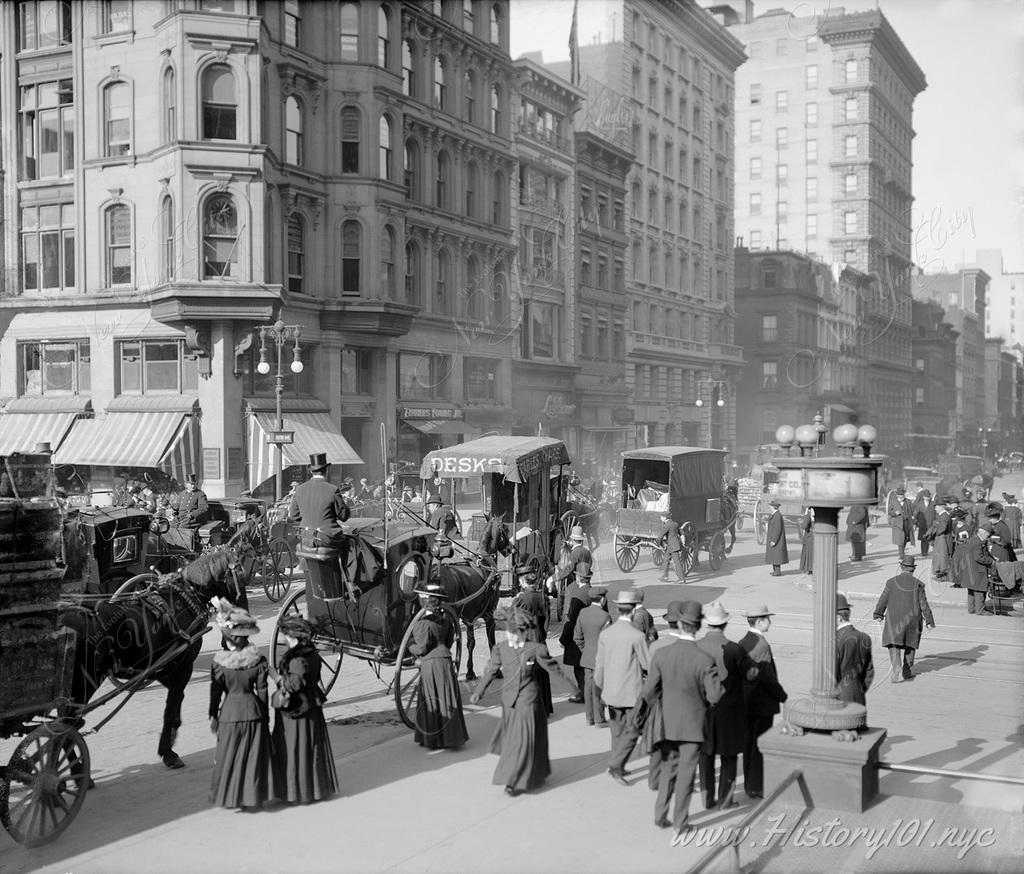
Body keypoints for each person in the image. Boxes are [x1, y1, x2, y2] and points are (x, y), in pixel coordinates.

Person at [634, 600, 722, 845]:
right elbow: (714, 696)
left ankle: (660, 814)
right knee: (685, 774)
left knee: (669, 769)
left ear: (681, 624)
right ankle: (680, 823)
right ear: (698, 626)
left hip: (667, 722)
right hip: (693, 726)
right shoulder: (704, 660)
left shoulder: (662, 654)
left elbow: (649, 691)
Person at [469, 608, 579, 796]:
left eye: (518, 633)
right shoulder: (500, 649)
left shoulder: (536, 650)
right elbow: (490, 671)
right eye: (511, 632)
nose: (513, 636)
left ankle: (513, 780)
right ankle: (528, 773)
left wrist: (574, 690)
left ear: (524, 632)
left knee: (523, 742)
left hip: (529, 702)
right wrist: (479, 692)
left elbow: (555, 671)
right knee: (515, 742)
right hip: (509, 704)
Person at [208, 600, 275, 809]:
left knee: (229, 756)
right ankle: (251, 797)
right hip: (253, 712)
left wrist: (213, 715)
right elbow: (263, 690)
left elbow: (215, 693)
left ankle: (230, 797)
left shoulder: (219, 664)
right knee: (252, 757)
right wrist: (265, 715)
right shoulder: (258, 660)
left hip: (229, 714)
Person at [696, 601, 758, 811]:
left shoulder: (696, 646)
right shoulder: (734, 649)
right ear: (724, 624)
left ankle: (707, 798)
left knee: (705, 755)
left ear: (707, 624)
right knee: (729, 756)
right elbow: (750, 674)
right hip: (729, 710)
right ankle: (725, 799)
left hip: (702, 710)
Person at [272, 615, 338, 804]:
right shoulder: (312, 653)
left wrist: (275, 676)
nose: (284, 639)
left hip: (298, 709)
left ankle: (297, 791)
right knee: (310, 749)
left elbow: (294, 684)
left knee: (295, 749)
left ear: (293, 637)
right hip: (311, 705)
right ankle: (314, 787)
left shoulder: (298, 658)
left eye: (286, 636)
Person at [594, 589, 649, 785]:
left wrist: (599, 689)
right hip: (631, 694)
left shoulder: (606, 634)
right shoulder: (637, 636)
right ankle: (615, 766)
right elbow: (647, 665)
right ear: (633, 610)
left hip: (611, 692)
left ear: (618, 609)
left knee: (617, 731)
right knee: (633, 731)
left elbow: (599, 666)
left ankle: (619, 763)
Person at [407, 582, 469, 749]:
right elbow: (449, 642)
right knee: (446, 698)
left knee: (431, 700)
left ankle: (432, 739)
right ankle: (451, 738)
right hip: (446, 662)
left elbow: (421, 648)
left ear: (424, 600)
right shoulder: (446, 619)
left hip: (431, 665)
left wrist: (409, 647)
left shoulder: (421, 623)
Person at [738, 604, 788, 799]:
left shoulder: (743, 641)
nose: (770, 622)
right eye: (768, 619)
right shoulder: (761, 645)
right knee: (759, 746)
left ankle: (749, 784)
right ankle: (757, 786)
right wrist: (783, 697)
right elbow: (767, 677)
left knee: (748, 744)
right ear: (759, 621)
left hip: (746, 701)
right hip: (761, 702)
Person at [873, 556, 936, 680]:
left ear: (901, 567)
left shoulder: (891, 582)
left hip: (894, 618)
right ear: (913, 570)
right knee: (910, 644)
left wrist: (878, 614)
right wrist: (929, 620)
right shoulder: (919, 584)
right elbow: (923, 603)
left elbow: (883, 599)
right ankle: (906, 671)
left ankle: (896, 666)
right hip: (912, 619)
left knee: (893, 644)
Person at [511, 566, 552, 715]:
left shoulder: (519, 600)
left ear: (523, 581)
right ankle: (544, 707)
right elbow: (546, 621)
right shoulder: (544, 598)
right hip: (540, 638)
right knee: (540, 674)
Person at [288, 452, 350, 545]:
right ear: (327, 470)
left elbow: (293, 516)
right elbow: (344, 516)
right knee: (350, 542)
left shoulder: (300, 489)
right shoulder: (332, 489)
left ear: (311, 471)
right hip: (326, 538)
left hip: (305, 537)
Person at [573, 585, 611, 727]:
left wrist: (585, 650)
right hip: (601, 659)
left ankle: (589, 718)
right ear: (603, 600)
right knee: (599, 689)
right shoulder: (605, 617)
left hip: (587, 657)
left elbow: (577, 637)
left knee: (588, 689)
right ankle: (599, 719)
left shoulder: (583, 613)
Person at [558, 561, 592, 702]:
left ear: (578, 577)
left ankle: (584, 695)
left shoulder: (577, 594)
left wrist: (563, 639)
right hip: (591, 636)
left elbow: (570, 620)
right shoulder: (593, 591)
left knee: (579, 668)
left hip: (578, 636)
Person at [835, 593, 874, 704]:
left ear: (838, 618)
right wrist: (859, 690)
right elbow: (869, 671)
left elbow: (832, 674)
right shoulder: (864, 638)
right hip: (859, 697)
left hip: (839, 700)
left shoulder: (835, 641)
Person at [961, 524, 995, 616]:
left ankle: (971, 609)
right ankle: (980, 610)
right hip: (977, 569)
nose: (988, 538)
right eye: (988, 535)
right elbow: (978, 557)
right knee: (980, 589)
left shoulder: (973, 539)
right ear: (984, 533)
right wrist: (991, 561)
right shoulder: (977, 542)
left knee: (971, 590)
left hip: (970, 569)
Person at [926, 498, 952, 581]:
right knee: (940, 556)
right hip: (942, 538)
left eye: (936, 507)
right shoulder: (942, 515)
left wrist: (933, 532)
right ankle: (940, 575)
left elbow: (942, 528)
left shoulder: (944, 515)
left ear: (941, 507)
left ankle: (943, 576)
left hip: (943, 538)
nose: (935, 508)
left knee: (942, 556)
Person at [657, 513, 688, 583]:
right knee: (666, 559)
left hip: (672, 546)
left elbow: (660, 536)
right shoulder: (675, 523)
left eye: (661, 517)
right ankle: (665, 576)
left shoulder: (667, 525)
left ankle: (681, 579)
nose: (661, 519)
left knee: (677, 562)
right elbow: (681, 532)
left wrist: (660, 544)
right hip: (674, 545)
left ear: (665, 518)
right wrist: (682, 538)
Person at [886, 487, 914, 560]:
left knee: (905, 538)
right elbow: (889, 512)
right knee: (900, 539)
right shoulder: (893, 501)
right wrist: (895, 513)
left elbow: (912, 511)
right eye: (900, 495)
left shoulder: (908, 501)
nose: (902, 496)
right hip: (897, 523)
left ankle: (902, 551)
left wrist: (913, 520)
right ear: (897, 495)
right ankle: (901, 554)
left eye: (903, 494)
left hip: (906, 522)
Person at [764, 501, 789, 576]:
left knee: (776, 556)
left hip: (776, 540)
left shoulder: (777, 516)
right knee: (774, 555)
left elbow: (777, 529)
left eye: (771, 506)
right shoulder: (775, 514)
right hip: (773, 538)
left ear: (773, 507)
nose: (770, 507)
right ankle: (775, 570)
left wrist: (774, 540)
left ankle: (777, 571)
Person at [914, 490, 936, 557]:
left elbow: (935, 514)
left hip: (930, 524)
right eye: (926, 496)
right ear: (923, 497)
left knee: (929, 539)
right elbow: (915, 514)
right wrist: (915, 522)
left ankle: (926, 551)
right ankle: (923, 552)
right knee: (923, 539)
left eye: (928, 496)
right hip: (922, 524)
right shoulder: (919, 504)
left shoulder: (933, 504)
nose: (927, 498)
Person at [798, 508, 814, 575]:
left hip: (809, 536)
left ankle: (810, 569)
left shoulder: (809, 514)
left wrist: (805, 515)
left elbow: (805, 526)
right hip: (816, 536)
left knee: (809, 554)